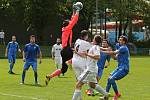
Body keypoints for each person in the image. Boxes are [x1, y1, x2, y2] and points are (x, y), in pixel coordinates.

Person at [45, 4, 82, 85]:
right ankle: (78, 78)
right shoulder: (68, 28)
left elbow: (72, 19)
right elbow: (75, 20)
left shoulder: (66, 29)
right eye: (69, 22)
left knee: (63, 69)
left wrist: (73, 10)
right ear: (68, 24)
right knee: (78, 60)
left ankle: (50, 76)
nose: (70, 22)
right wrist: (78, 10)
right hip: (67, 50)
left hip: (64, 50)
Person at [72, 35, 109, 100]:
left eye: (93, 38)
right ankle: (106, 95)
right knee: (92, 85)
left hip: (90, 70)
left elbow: (98, 57)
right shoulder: (94, 46)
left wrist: (87, 54)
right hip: (92, 69)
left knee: (78, 84)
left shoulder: (95, 47)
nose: (92, 40)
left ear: (95, 40)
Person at [101, 35, 130, 100]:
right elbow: (114, 57)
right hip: (120, 67)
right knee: (109, 79)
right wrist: (110, 52)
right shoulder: (120, 48)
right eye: (119, 39)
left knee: (111, 79)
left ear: (124, 42)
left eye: (121, 40)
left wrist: (102, 51)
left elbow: (114, 52)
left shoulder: (123, 48)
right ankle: (106, 96)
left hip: (124, 68)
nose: (119, 40)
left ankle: (116, 94)